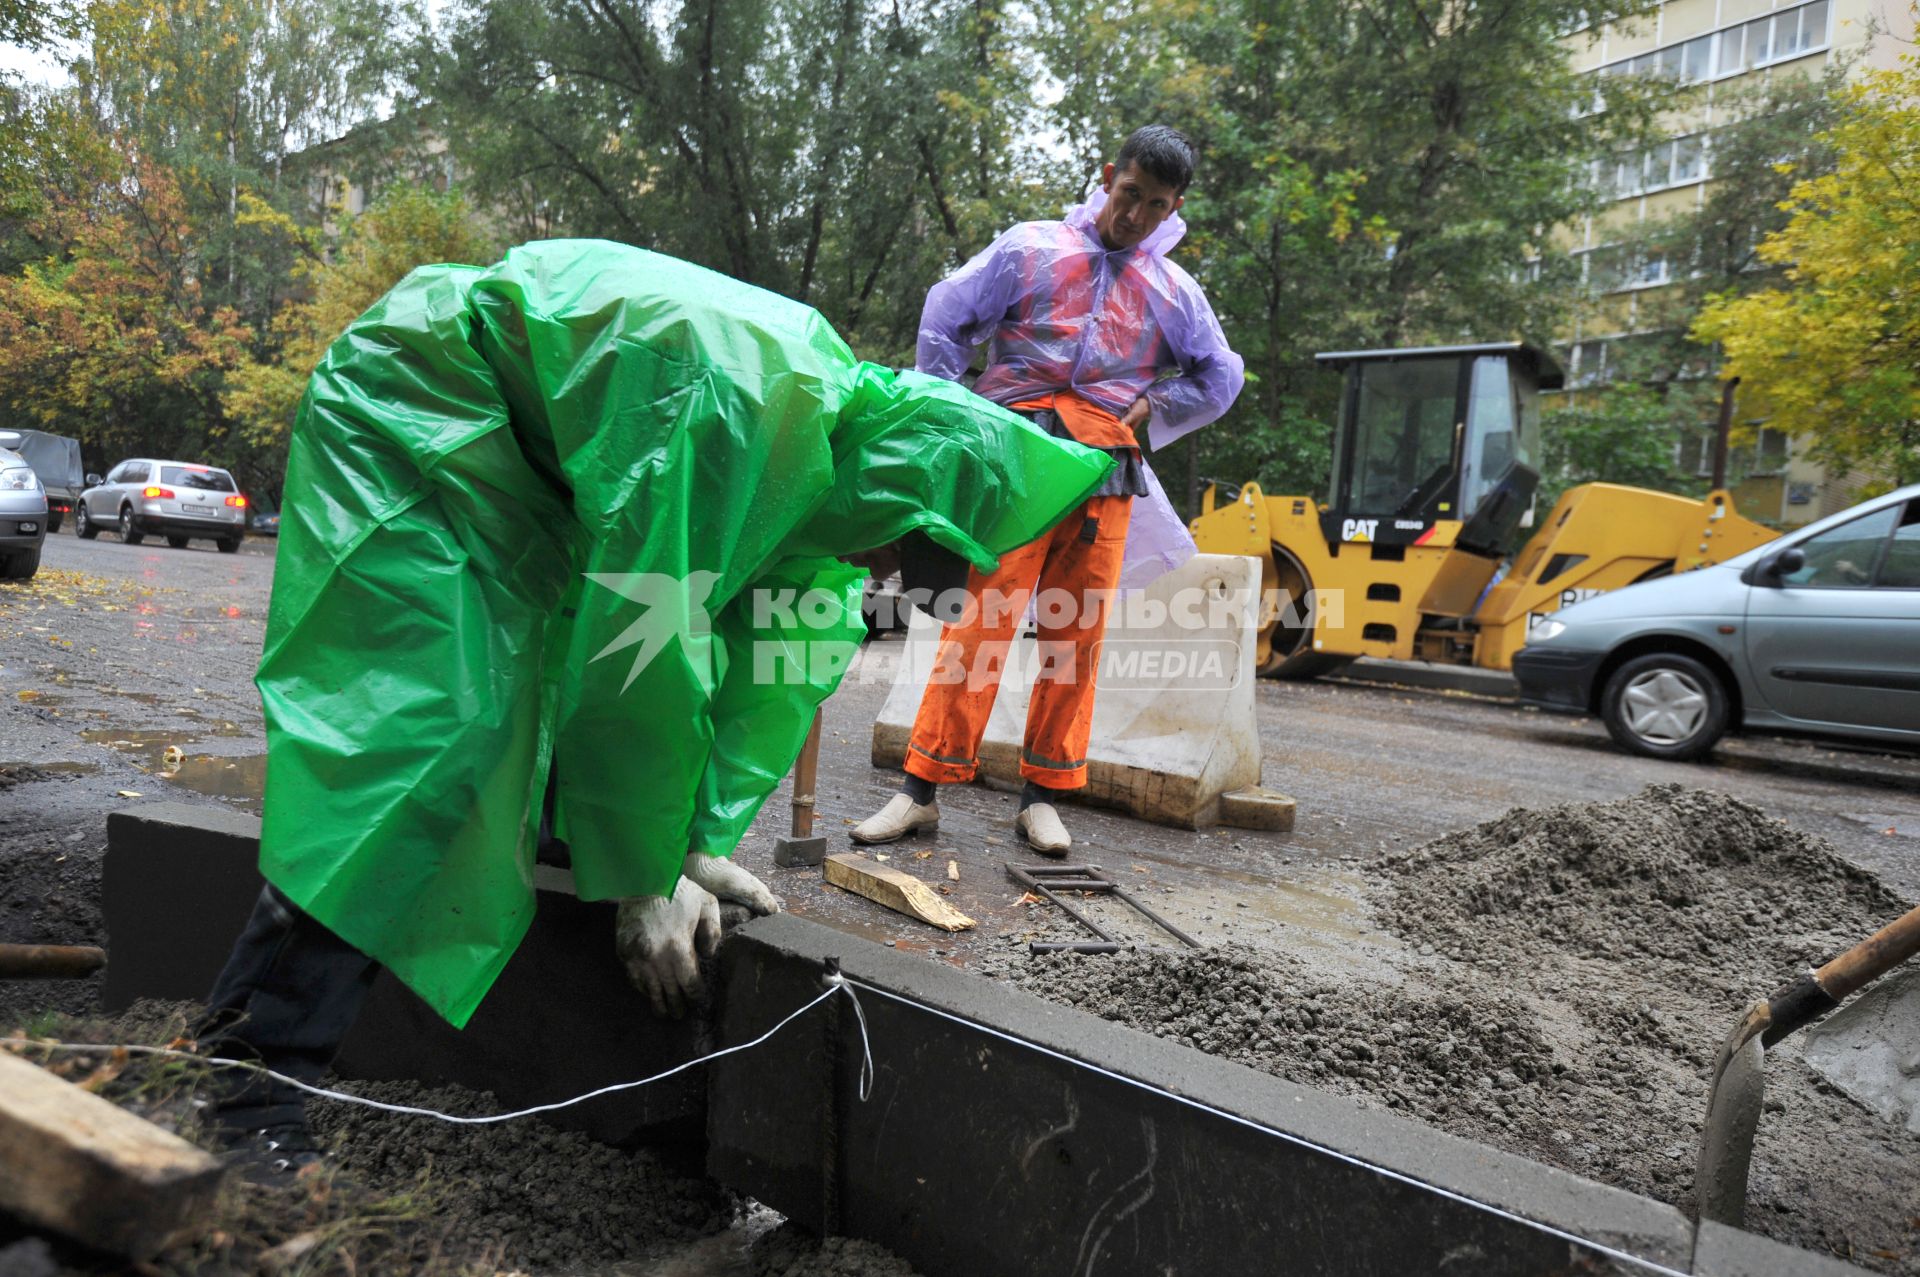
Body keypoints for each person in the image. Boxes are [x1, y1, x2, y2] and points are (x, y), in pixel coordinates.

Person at [196, 238, 1113, 1174]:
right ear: (905, 500)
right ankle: (250, 1081)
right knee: (434, 738)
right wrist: (642, 875)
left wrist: (689, 844)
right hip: (420, 410)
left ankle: (548, 1023)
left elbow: (764, 674)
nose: (880, 576)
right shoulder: (748, 418)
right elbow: (643, 658)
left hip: (536, 473)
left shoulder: (834, 485)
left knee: (546, 751)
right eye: (897, 559)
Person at [852, 125, 1244, 856]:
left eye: (1154, 206)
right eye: (1128, 195)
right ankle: (921, 789)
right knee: (981, 624)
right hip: (1018, 461)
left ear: (1174, 208)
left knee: (1076, 635)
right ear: (1107, 176)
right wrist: (950, 416)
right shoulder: (1031, 249)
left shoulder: (1171, 291)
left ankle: (1045, 796)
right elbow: (948, 310)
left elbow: (1220, 374)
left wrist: (1156, 407)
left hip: (1101, 473)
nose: (1134, 217)